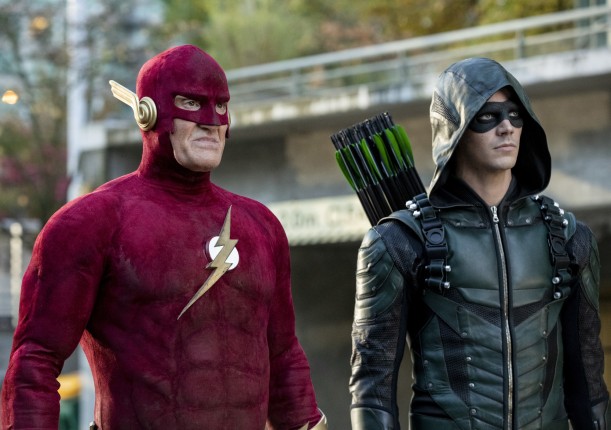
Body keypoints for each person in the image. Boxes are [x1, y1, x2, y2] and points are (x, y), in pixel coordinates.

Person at [1, 44, 327, 430]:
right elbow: (35, 361)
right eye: (191, 103)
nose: (211, 122)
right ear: (147, 112)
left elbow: (284, 357)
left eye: (221, 106)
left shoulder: (261, 226)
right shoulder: (90, 223)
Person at [349, 57, 609, 429]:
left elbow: (589, 387)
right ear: (453, 128)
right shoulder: (398, 241)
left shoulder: (569, 238)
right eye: (487, 116)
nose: (507, 127)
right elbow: (372, 390)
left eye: (515, 115)